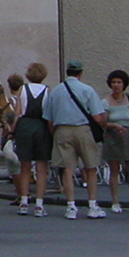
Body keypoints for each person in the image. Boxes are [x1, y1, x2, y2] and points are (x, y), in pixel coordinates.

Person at [42, 60, 107, 219]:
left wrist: (55, 134)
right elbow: (97, 117)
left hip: (62, 130)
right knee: (91, 168)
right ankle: (92, 205)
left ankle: (71, 207)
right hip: (83, 129)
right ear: (80, 73)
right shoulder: (87, 90)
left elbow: (49, 120)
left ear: (67, 72)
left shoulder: (56, 91)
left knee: (67, 170)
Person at [11, 62, 52, 218]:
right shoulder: (48, 90)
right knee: (42, 168)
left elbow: (17, 113)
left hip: (24, 126)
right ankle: (39, 204)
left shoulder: (22, 89)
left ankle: (23, 201)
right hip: (41, 126)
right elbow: (48, 114)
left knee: (25, 167)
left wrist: (12, 131)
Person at [102, 69, 129, 213]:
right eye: (113, 82)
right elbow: (102, 122)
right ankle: (115, 201)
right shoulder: (106, 101)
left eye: (119, 82)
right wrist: (114, 125)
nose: (116, 85)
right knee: (114, 170)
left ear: (124, 84)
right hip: (113, 136)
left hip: (128, 135)